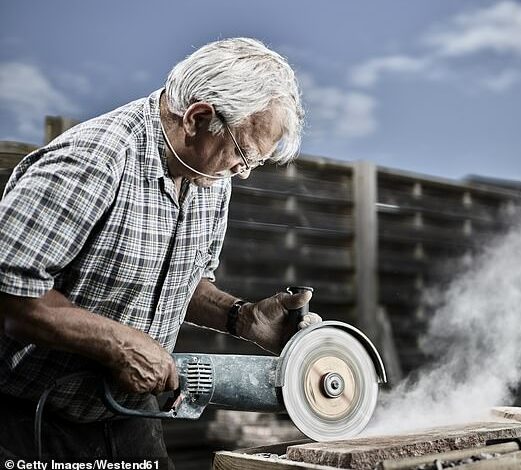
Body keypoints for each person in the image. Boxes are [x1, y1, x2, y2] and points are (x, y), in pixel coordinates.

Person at [0, 38, 320, 464]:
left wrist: (243, 318)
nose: (242, 174)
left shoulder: (210, 179)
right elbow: (11, 297)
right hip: (27, 418)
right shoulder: (94, 160)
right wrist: (118, 343)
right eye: (243, 154)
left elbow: (179, 280)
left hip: (128, 412)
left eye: (254, 163)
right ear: (198, 118)